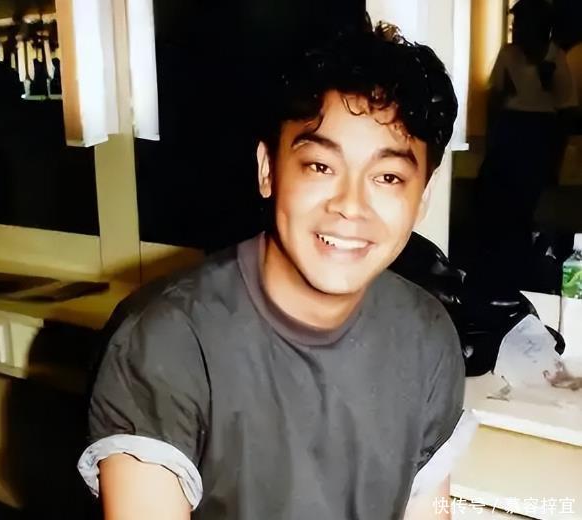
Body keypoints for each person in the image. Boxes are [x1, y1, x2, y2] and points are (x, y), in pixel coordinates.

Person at [78, 20, 476, 520]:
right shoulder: (164, 341)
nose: (350, 205)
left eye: (388, 177)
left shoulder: (427, 338)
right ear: (268, 169)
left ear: (422, 199)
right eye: (321, 167)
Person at [474, 0, 578, 293]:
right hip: (511, 129)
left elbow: (567, 110)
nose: (516, 31)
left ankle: (525, 273)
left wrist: (555, 157)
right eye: (514, 26)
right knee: (495, 201)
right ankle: (496, 270)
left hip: (539, 133)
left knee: (527, 208)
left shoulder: (555, 58)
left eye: (520, 25)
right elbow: (495, 99)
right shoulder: (509, 54)